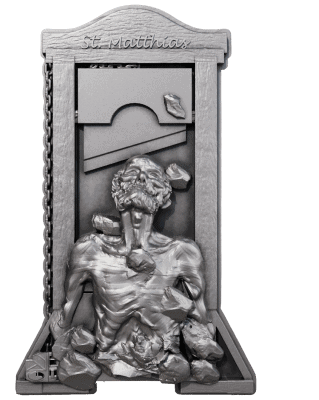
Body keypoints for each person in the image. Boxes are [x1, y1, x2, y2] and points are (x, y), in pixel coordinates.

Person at [50, 155, 221, 382]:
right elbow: (63, 319)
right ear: (116, 191)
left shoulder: (182, 254)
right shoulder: (90, 251)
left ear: (165, 197)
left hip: (166, 364)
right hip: (107, 360)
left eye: (150, 176)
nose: (140, 179)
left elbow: (202, 323)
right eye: (132, 175)